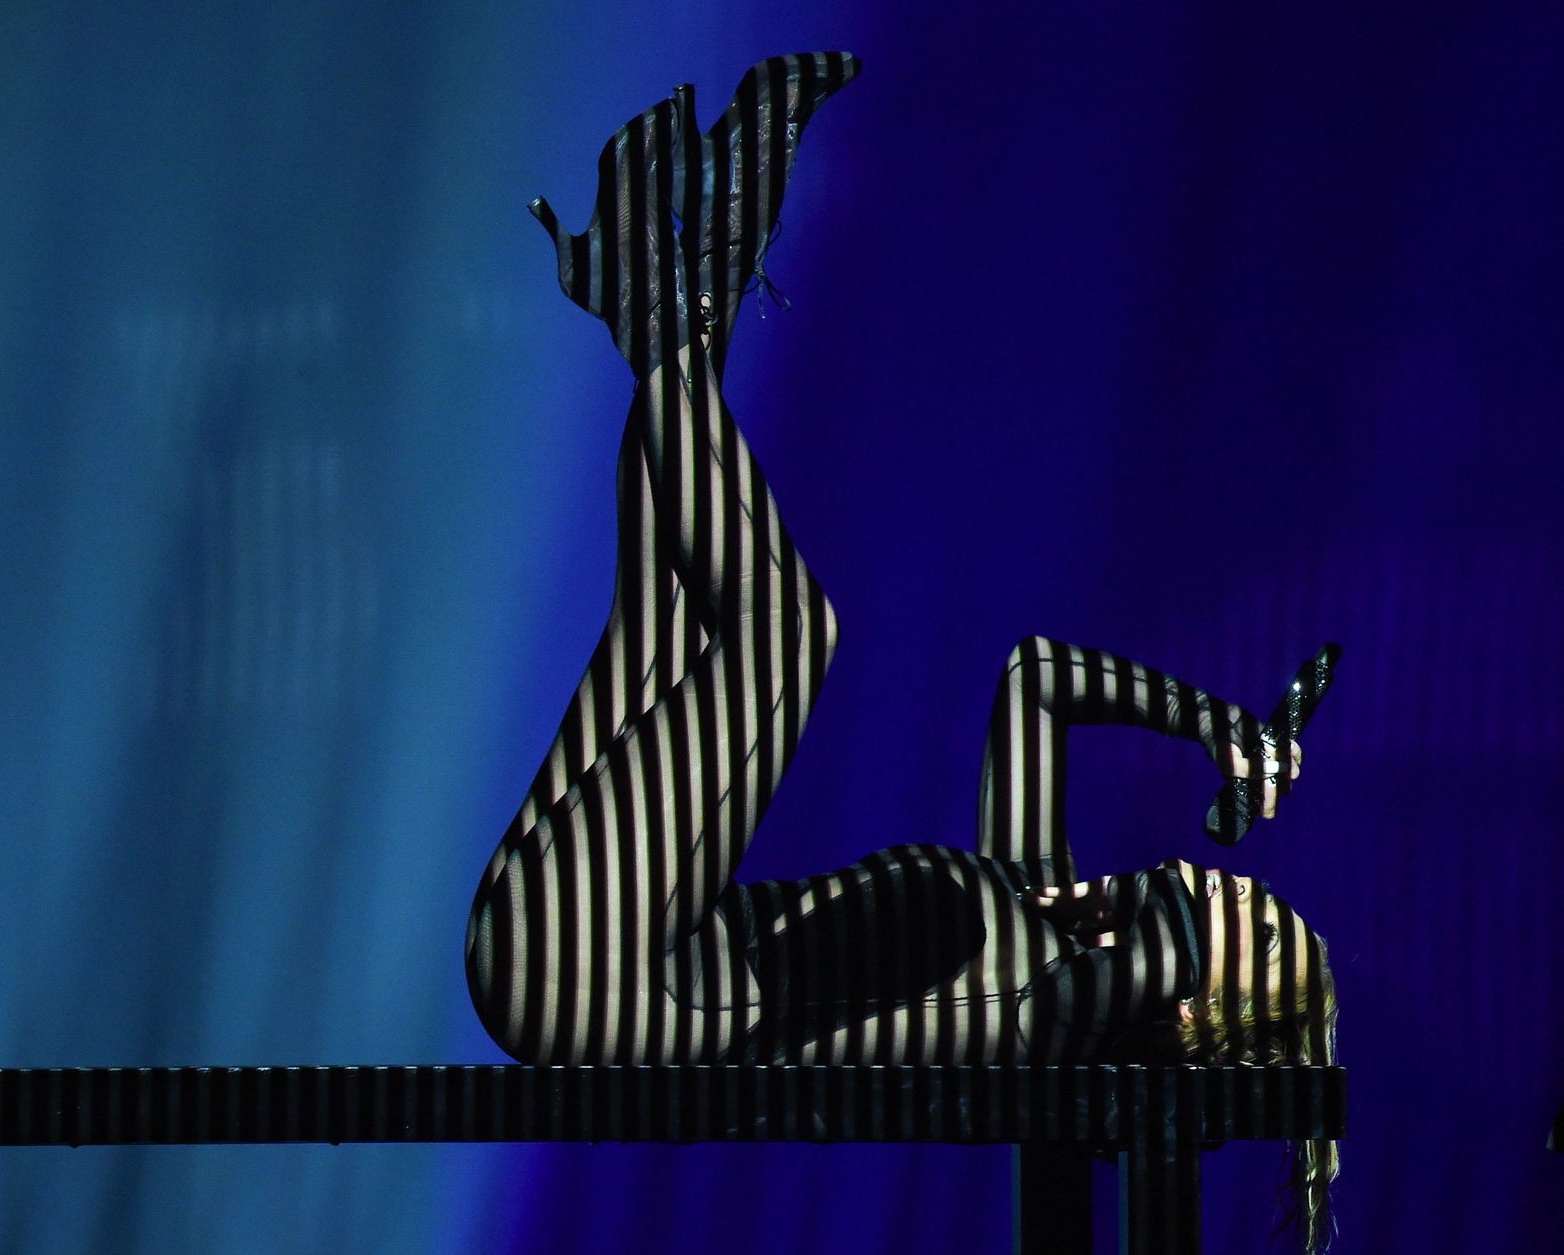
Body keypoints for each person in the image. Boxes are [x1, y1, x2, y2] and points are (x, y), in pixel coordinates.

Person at [464, 52, 1337, 1251]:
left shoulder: (1061, 1014)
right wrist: (1216, 726)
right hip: (578, 922)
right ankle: (682, 307)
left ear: (1192, 1005)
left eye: (1258, 927)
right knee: (663, 620)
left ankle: (663, 317)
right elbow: (1038, 679)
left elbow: (1156, 968)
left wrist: (1202, 969)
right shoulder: (1032, 897)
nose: (1243, 888)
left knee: (788, 632)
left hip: (608, 984)